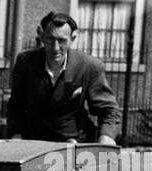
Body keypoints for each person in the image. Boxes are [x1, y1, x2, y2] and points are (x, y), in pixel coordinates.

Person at [8, 11, 121, 145]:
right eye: (50, 39)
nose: (55, 48)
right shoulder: (25, 62)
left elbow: (109, 110)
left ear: (73, 38)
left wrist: (106, 137)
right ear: (42, 36)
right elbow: (16, 105)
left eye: (62, 41)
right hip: (34, 143)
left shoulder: (89, 66)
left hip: (75, 142)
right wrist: (16, 136)